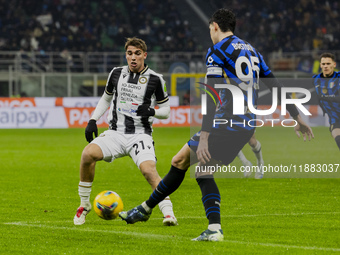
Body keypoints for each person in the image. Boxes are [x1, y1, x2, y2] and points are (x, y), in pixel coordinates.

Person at [119, 9, 314, 241]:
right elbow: (275, 85)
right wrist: (297, 116)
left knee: (185, 164)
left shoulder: (217, 51)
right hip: (246, 126)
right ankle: (161, 214)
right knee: (196, 168)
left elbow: (210, 94)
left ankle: (155, 212)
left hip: (225, 123)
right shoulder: (252, 51)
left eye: (209, 29)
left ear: (213, 26)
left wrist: (204, 136)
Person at [73, 37, 178, 226]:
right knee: (87, 154)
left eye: (137, 53)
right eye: (129, 53)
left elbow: (167, 111)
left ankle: (168, 214)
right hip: (115, 133)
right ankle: (84, 205)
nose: (133, 57)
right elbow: (106, 99)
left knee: (149, 171)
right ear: (126, 55)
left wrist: (152, 111)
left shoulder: (155, 79)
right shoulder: (116, 73)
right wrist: (92, 120)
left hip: (140, 134)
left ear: (145, 55)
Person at [313, 53, 340, 150]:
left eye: (328, 64)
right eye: (323, 64)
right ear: (320, 65)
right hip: (335, 119)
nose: (325, 66)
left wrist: (325, 97)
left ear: (334, 65)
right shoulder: (316, 80)